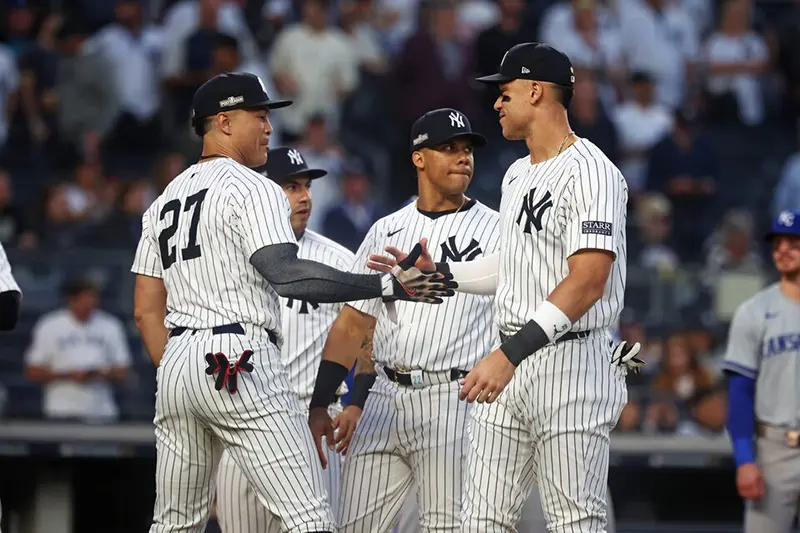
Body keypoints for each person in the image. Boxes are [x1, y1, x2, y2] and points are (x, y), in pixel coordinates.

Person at [130, 72, 456, 533]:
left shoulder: (163, 201)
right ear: (223, 121)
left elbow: (146, 309)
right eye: (259, 116)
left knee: (174, 523)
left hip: (178, 362)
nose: (268, 127)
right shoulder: (253, 186)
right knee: (310, 518)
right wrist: (384, 285)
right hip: (237, 357)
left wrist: (180, 368)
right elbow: (288, 275)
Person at [371, 43, 642, 532]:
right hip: (514, 358)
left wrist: (509, 353)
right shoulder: (517, 173)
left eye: (505, 90)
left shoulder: (593, 172)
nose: (496, 102)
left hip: (570, 363)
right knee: (479, 520)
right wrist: (445, 275)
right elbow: (515, 266)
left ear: (536, 91)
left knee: (573, 520)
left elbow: (587, 282)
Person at [214, 146, 365, 531]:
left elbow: (368, 339)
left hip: (310, 419)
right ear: (262, 191)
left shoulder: (338, 260)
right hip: (242, 419)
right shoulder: (229, 259)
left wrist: (355, 402)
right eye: (290, 186)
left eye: (307, 186)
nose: (305, 196)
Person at [724, 208, 800, 533]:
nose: (783, 250)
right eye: (777, 243)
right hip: (775, 449)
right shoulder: (753, 311)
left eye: (793, 242)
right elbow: (739, 392)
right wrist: (744, 460)